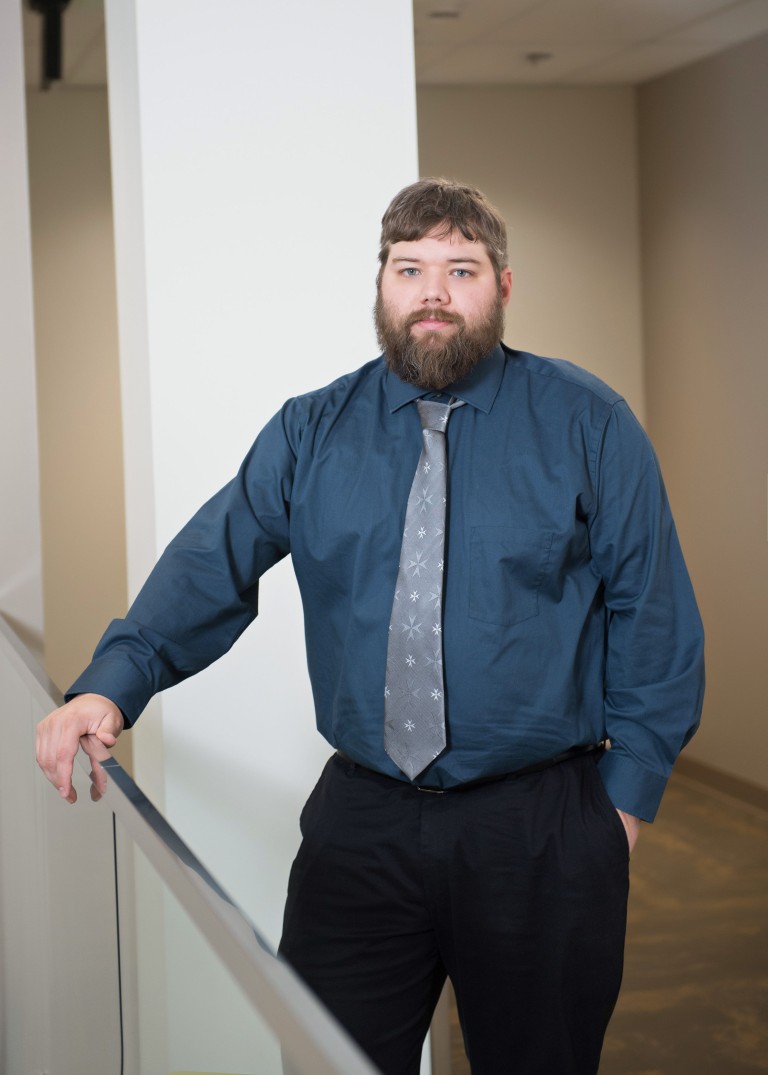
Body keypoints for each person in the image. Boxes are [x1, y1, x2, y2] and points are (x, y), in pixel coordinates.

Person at [36, 178, 705, 1075]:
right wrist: (107, 685)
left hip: (541, 825)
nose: (433, 291)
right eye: (410, 268)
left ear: (502, 288)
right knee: (325, 1059)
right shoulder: (312, 431)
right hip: (364, 821)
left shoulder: (590, 425)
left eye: (461, 269)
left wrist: (621, 802)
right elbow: (210, 565)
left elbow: (653, 614)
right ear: (381, 286)